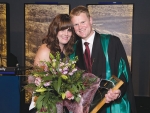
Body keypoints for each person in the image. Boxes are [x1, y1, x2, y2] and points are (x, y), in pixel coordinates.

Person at [70, 5, 137, 113]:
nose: (80, 27)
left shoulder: (112, 42)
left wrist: (118, 91)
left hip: (110, 106)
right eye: (76, 24)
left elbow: (123, 73)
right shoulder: (72, 50)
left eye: (83, 22)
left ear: (90, 20)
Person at [28, 14, 75, 113]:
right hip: (44, 106)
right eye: (62, 30)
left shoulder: (67, 51)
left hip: (60, 105)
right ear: (55, 30)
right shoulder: (46, 49)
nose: (66, 34)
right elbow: (34, 80)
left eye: (69, 30)